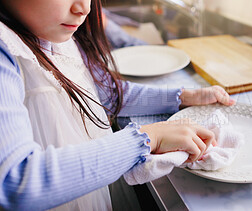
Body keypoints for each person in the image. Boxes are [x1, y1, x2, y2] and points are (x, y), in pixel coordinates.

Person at [0, 0, 235, 210]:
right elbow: (16, 181)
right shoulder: (6, 51)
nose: (84, 8)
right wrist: (147, 138)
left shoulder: (56, 35)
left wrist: (183, 96)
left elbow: (107, 96)